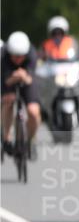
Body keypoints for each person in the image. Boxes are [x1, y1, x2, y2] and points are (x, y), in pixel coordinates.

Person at [1, 31, 42, 159]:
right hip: (7, 80)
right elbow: (6, 80)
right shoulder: (3, 55)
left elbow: (30, 79)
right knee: (8, 101)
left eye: (21, 57)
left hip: (27, 79)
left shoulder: (31, 53)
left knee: (33, 111)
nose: (18, 59)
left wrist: (23, 76)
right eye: (15, 56)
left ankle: (31, 139)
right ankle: (6, 137)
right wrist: (15, 76)